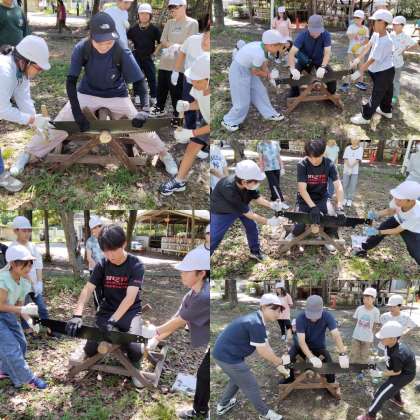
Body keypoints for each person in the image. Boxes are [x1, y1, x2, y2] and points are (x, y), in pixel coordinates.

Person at [12, 13, 177, 177]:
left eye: (109, 42)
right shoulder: (82, 48)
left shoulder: (121, 49)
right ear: (91, 37)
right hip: (87, 92)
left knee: (140, 125)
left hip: (117, 94)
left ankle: (163, 153)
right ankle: (28, 152)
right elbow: (71, 82)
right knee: (60, 123)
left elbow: (139, 81)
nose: (105, 46)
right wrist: (76, 111)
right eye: (100, 42)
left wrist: (145, 110)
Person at [65, 224, 147, 388]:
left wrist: (113, 320)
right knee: (91, 348)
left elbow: (130, 298)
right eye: (105, 251)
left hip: (130, 312)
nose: (110, 255)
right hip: (107, 311)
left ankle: (135, 368)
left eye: (114, 250)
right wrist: (77, 314)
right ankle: (86, 353)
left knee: (136, 349)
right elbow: (88, 289)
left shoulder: (136, 265)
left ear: (124, 243)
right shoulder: (102, 264)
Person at [147, 245, 210, 419]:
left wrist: (154, 331)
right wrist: (155, 338)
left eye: (186, 271)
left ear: (201, 273)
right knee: (205, 375)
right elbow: (176, 318)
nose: (182, 274)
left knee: (205, 374)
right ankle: (201, 411)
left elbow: (179, 321)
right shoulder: (191, 294)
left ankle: (200, 412)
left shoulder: (204, 296)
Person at [213, 294, 289, 420]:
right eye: (274, 309)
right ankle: (265, 414)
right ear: (263, 307)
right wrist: (280, 361)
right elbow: (262, 351)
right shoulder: (255, 323)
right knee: (251, 385)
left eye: (280, 310)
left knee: (236, 380)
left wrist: (278, 364)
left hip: (228, 354)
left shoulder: (258, 320)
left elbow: (266, 345)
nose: (278, 313)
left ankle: (223, 405)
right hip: (227, 357)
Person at [0, 35, 51, 192]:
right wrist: (30, 120)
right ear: (26, 61)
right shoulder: (4, 71)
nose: (39, 72)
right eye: (38, 68)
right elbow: (3, 110)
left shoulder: (20, 71)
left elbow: (24, 99)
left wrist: (36, 122)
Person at [210, 159, 285, 261]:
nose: (258, 183)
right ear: (244, 182)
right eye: (256, 181)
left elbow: (257, 198)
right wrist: (268, 221)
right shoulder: (229, 188)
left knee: (252, 226)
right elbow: (249, 214)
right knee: (214, 237)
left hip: (241, 205)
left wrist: (272, 205)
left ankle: (255, 252)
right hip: (223, 211)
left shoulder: (249, 184)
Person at [159, 53, 210, 196]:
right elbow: (200, 103)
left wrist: (191, 133)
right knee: (191, 149)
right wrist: (188, 106)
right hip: (207, 119)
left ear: (209, 80)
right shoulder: (197, 84)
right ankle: (179, 181)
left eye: (197, 81)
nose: (193, 84)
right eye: (192, 80)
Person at [279, 295, 349, 398]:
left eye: (316, 315)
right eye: (311, 315)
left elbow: (336, 335)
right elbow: (301, 342)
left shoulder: (327, 316)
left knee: (328, 360)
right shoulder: (300, 318)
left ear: (321, 310)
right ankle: (289, 377)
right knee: (288, 358)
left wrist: (342, 353)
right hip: (301, 347)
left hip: (318, 346)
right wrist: (311, 357)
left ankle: (331, 382)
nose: (313, 318)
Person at [285, 139, 345, 253]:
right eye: (311, 157)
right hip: (304, 199)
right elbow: (302, 189)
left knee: (333, 219)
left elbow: (338, 187)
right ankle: (293, 234)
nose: (314, 160)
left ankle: (328, 238)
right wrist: (313, 207)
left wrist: (340, 206)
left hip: (322, 198)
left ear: (323, 153)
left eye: (317, 157)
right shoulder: (302, 164)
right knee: (299, 224)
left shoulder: (329, 164)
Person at [0, 244, 47, 389]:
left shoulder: (24, 282)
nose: (28, 268)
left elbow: (19, 308)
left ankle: (5, 369)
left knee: (22, 343)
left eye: (30, 264)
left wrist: (33, 322)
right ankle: (27, 379)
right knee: (11, 347)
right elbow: (1, 305)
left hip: (8, 315)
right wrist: (22, 308)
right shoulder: (3, 279)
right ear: (13, 264)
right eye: (25, 264)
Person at [221, 29, 287, 132]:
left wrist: (267, 73)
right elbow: (255, 71)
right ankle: (229, 121)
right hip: (239, 71)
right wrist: (267, 75)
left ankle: (269, 113)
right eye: (279, 47)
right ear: (271, 45)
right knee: (242, 100)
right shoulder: (259, 53)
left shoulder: (264, 47)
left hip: (248, 68)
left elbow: (264, 63)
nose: (280, 49)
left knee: (260, 91)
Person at [150, 0, 198, 121]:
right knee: (161, 87)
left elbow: (191, 43)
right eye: (171, 9)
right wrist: (173, 46)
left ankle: (178, 115)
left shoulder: (192, 23)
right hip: (165, 61)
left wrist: (177, 46)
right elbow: (163, 40)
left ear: (184, 6)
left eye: (175, 8)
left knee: (176, 91)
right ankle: (159, 108)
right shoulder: (169, 23)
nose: (172, 11)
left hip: (179, 64)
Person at [357, 321, 416, 419]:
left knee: (381, 393)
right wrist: (379, 359)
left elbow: (397, 372)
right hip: (400, 372)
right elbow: (389, 356)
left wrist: (380, 374)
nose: (380, 338)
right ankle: (398, 401)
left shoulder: (398, 354)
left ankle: (370, 416)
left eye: (383, 337)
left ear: (393, 338)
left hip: (404, 375)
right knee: (393, 387)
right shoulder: (390, 345)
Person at [356, 180, 420, 264]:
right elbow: (390, 210)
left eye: (399, 200)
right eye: (395, 198)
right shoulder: (398, 199)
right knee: (382, 228)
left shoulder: (417, 214)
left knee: (415, 252)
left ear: (411, 201)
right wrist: (375, 215)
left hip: (414, 229)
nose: (396, 201)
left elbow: (397, 230)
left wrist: (377, 232)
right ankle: (362, 248)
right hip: (398, 219)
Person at [350, 10, 395, 125]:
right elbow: (368, 46)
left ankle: (365, 117)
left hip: (385, 72)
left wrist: (359, 71)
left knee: (377, 94)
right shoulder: (376, 34)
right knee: (387, 92)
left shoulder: (387, 41)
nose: (372, 24)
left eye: (374, 21)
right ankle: (386, 110)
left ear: (382, 22)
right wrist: (358, 59)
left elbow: (372, 60)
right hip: (377, 70)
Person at [10, 216, 51, 335]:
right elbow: (20, 270)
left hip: (35, 285)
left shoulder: (32, 246)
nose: (27, 233)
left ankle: (48, 329)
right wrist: (32, 283)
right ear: (16, 231)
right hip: (21, 286)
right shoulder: (13, 248)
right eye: (24, 230)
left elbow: (38, 264)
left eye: (29, 230)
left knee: (42, 308)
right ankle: (30, 331)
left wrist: (39, 282)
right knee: (27, 309)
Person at [172, 19, 210, 130]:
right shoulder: (192, 40)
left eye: (209, 38)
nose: (205, 40)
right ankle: (187, 128)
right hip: (189, 80)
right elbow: (182, 53)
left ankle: (201, 131)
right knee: (186, 105)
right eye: (205, 36)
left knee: (205, 109)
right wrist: (175, 71)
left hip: (204, 84)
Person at [287, 15, 336, 98]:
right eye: (314, 31)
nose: (316, 34)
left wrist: (323, 66)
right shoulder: (302, 35)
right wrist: (292, 69)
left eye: (318, 31)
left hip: (319, 60)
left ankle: (330, 95)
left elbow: (327, 53)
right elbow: (291, 53)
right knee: (292, 76)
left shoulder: (326, 35)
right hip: (304, 61)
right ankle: (295, 94)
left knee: (332, 78)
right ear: (308, 28)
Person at [128, 3, 161, 108]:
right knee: (136, 77)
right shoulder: (133, 29)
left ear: (150, 15)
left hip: (148, 56)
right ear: (138, 15)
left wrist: (155, 53)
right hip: (136, 55)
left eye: (147, 14)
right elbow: (128, 39)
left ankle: (154, 97)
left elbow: (160, 42)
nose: (144, 16)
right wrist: (130, 46)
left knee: (152, 77)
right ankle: (137, 96)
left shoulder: (154, 29)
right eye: (142, 14)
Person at [350, 287, 380, 369]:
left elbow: (375, 324)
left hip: (367, 338)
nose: (365, 301)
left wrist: (371, 335)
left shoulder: (376, 311)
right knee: (353, 353)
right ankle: (351, 367)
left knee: (364, 355)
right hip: (356, 336)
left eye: (368, 299)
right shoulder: (359, 308)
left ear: (373, 299)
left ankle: (361, 368)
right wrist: (359, 330)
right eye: (364, 298)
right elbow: (356, 321)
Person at [340, 10, 369, 93]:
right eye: (355, 17)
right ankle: (346, 83)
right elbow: (349, 37)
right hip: (351, 51)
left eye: (358, 18)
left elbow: (367, 40)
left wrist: (361, 44)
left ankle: (359, 82)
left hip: (361, 52)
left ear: (362, 18)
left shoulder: (365, 28)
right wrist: (356, 34)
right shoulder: (351, 27)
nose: (356, 19)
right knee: (350, 67)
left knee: (360, 68)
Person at [391, 16, 417, 104]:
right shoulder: (391, 34)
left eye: (396, 24)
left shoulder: (405, 37)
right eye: (393, 24)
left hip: (398, 63)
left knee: (396, 80)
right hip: (389, 63)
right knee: (388, 79)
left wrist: (405, 50)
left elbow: (415, 45)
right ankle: (388, 94)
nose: (394, 26)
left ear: (402, 25)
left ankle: (395, 96)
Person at [257, 140, 288, 206]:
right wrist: (261, 170)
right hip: (268, 169)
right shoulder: (260, 144)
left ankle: (274, 198)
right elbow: (260, 159)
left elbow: (278, 156)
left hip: (277, 167)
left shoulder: (275, 143)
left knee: (274, 184)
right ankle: (281, 201)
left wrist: (282, 167)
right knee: (275, 185)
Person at [85, 216, 104, 309]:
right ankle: (99, 310)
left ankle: (107, 310)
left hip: (107, 269)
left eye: (100, 226)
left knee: (107, 291)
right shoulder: (90, 241)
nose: (98, 228)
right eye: (95, 227)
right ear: (92, 229)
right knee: (97, 291)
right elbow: (89, 258)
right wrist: (98, 268)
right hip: (95, 270)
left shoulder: (106, 238)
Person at [342, 139, 364, 207]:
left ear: (358, 141)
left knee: (352, 185)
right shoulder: (347, 148)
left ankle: (350, 199)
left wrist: (351, 166)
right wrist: (348, 166)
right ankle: (345, 198)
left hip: (354, 170)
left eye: (355, 139)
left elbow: (358, 159)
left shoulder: (360, 148)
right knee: (345, 184)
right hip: (346, 169)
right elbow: (345, 158)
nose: (354, 141)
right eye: (352, 139)